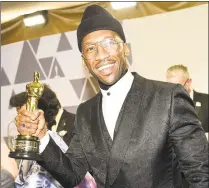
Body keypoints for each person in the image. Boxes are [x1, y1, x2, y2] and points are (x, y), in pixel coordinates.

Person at [15, 4, 208, 188]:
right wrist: (41, 135)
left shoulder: (168, 97)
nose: (101, 55)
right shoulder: (85, 112)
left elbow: (200, 174)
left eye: (109, 43)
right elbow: (71, 174)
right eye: (90, 48)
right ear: (84, 62)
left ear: (125, 48)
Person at [10, 85, 96, 188]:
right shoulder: (36, 134)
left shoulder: (76, 123)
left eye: (25, 113)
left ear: (40, 110)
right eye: (20, 115)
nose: (22, 119)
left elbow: (76, 171)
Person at [166, 64, 208, 138]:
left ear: (189, 82)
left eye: (177, 86)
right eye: (169, 87)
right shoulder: (164, 103)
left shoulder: (206, 100)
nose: (173, 91)